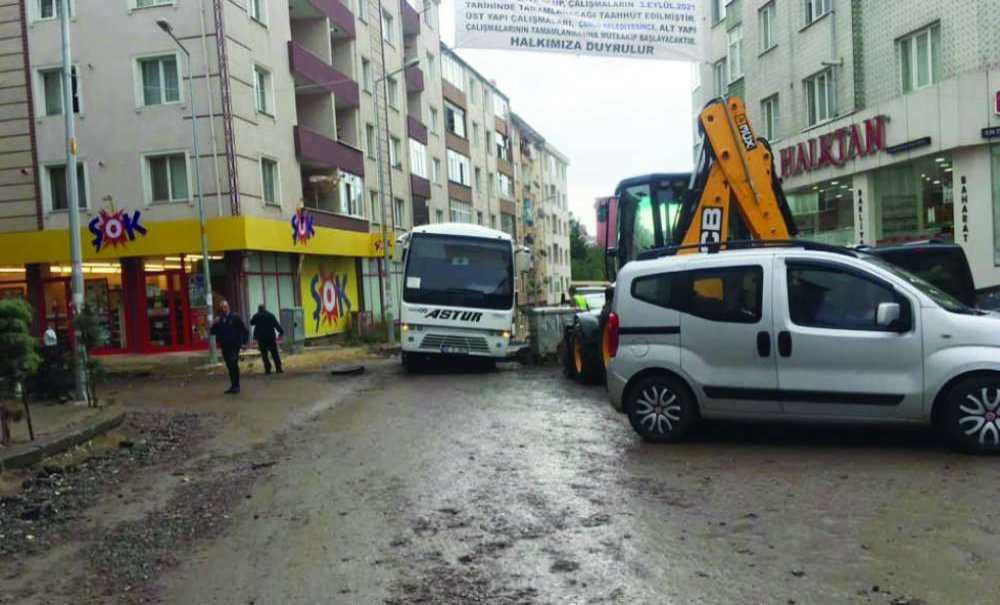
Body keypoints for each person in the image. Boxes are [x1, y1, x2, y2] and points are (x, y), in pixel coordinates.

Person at [210, 299, 249, 394]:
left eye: (225, 307)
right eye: (222, 307)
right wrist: (214, 323)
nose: (224, 309)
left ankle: (237, 386)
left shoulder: (235, 317)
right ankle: (233, 386)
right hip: (225, 346)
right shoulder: (220, 319)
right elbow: (212, 332)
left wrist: (244, 343)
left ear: (228, 307)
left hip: (234, 345)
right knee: (229, 366)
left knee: (233, 364)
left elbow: (244, 330)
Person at [250, 304, 284, 375]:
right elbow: (276, 324)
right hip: (271, 337)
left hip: (261, 338)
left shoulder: (257, 316)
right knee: (274, 353)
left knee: (264, 354)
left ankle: (268, 369)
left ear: (258, 309)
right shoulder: (270, 315)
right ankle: (278, 368)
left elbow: (251, 322)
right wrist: (281, 332)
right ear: (265, 308)